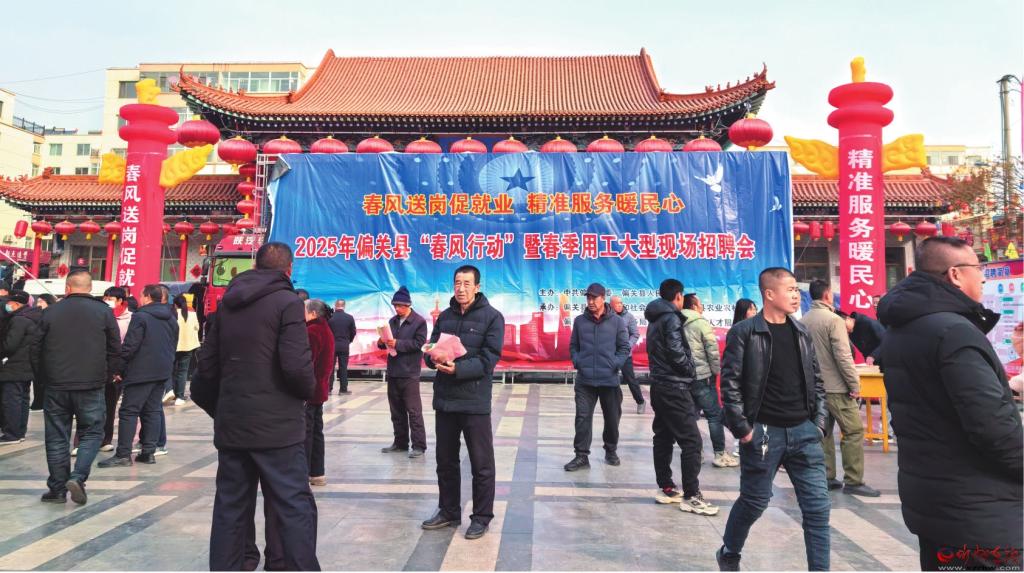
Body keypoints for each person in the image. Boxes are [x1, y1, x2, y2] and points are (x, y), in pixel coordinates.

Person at [877, 237, 1022, 571]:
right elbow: (994, 429)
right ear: (955, 274)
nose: (983, 277)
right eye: (978, 268)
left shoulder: (903, 328)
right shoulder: (954, 332)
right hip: (982, 516)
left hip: (935, 506)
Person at [193, 242, 320, 571]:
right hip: (278, 428)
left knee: (230, 507)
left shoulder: (228, 303)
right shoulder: (288, 303)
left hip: (234, 425)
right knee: (292, 505)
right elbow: (296, 367)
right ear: (289, 270)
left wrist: (223, 409)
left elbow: (206, 367)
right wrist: (306, 395)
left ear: (255, 266)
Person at [716, 267, 829, 571]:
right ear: (769, 294)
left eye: (796, 290)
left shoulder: (802, 332)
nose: (796, 295)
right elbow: (730, 383)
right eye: (789, 289)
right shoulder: (745, 332)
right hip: (764, 432)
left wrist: (818, 425)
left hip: (804, 432)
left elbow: (817, 381)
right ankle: (729, 551)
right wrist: (744, 429)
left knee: (818, 510)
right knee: (754, 501)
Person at [421, 265, 504, 541]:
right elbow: (431, 346)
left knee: (481, 463)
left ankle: (481, 517)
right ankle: (448, 510)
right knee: (445, 460)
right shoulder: (444, 317)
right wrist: (431, 356)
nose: (461, 288)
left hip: (474, 400)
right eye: (457, 282)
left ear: (477, 287)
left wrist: (458, 369)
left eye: (467, 283)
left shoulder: (492, 318)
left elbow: (489, 359)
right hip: (445, 400)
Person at [35, 271, 121, 505]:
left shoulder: (50, 312)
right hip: (91, 383)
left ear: (67, 287)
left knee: (56, 437)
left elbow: (36, 347)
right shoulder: (104, 312)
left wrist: (42, 378)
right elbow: (115, 347)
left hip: (56, 384)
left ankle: (57, 489)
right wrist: (109, 375)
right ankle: (78, 477)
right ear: (90, 288)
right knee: (93, 432)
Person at [645, 279, 718, 516]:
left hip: (659, 386)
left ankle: (666, 487)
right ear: (678, 296)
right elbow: (677, 353)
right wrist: (690, 370)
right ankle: (691, 495)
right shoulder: (671, 319)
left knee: (663, 437)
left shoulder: (654, 319)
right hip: (675, 388)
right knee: (692, 441)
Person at [801, 280, 880, 497]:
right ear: (827, 295)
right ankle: (853, 480)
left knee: (823, 432)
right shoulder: (834, 320)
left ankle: (827, 476)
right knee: (853, 431)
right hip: (837, 388)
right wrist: (854, 384)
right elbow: (843, 356)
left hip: (815, 388)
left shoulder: (803, 321)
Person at [98, 284, 177, 467]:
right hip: (161, 371)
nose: (140, 299)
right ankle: (148, 452)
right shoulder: (171, 318)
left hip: (141, 371)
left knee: (129, 411)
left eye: (142, 295)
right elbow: (173, 344)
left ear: (147, 297)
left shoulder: (141, 316)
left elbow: (130, 346)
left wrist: (119, 369)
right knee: (152, 411)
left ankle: (123, 454)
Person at [565, 283, 630, 471]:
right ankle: (581, 456)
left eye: (594, 298)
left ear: (603, 298)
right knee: (582, 418)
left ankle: (611, 450)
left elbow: (624, 348)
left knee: (612, 418)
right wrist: (578, 361)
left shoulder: (617, 322)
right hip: (585, 380)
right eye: (588, 298)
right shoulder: (580, 321)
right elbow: (573, 346)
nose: (591, 301)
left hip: (609, 380)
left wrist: (614, 364)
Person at [682, 293, 736, 468]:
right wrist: (716, 372)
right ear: (693, 306)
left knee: (691, 416)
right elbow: (712, 350)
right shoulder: (700, 323)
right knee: (714, 416)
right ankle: (720, 454)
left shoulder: (675, 321)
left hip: (684, 377)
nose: (702, 307)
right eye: (700, 304)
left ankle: (695, 453)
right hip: (703, 377)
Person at [378, 286, 428, 458]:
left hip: (409, 373)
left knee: (413, 411)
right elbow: (386, 341)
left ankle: (419, 446)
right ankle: (400, 443)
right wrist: (381, 341)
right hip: (393, 371)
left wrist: (398, 343)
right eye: (395, 306)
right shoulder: (392, 321)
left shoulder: (419, 322)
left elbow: (419, 344)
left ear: (408, 305)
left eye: (400, 306)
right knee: (396, 411)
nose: (397, 309)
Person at [0, 290, 42, 444]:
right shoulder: (33, 317)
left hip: (14, 366)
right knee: (23, 400)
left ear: (16, 304)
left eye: (9, 303)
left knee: (11, 400)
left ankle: (11, 434)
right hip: (27, 365)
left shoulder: (19, 320)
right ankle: (20, 432)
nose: (7, 306)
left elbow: (10, 345)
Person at [305, 299, 335, 486]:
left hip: (309, 391)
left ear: (313, 313)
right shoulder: (325, 329)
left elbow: (307, 363)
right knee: (316, 432)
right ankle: (317, 473)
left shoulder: (312, 331)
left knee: (305, 434)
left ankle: (303, 473)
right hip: (320, 389)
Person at [610, 295, 645, 414]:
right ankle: (616, 402)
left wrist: (627, 346)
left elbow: (635, 334)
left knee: (630, 379)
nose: (620, 305)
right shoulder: (607, 317)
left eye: (621, 302)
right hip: (610, 353)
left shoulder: (629, 317)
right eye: (617, 303)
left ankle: (640, 401)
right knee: (611, 379)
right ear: (611, 305)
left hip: (625, 354)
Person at [28, 293, 57, 411]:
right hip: (39, 354)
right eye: (37, 301)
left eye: (41, 301)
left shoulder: (50, 316)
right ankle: (38, 401)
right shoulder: (37, 315)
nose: (38, 304)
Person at [171, 295, 200, 405]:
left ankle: (171, 392)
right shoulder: (192, 314)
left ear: (175, 304)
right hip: (188, 346)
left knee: (172, 370)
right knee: (183, 371)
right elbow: (197, 327)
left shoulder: (172, 314)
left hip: (174, 346)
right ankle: (180, 396)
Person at [328, 298, 356, 394]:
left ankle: (328, 389)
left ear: (335, 305)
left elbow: (326, 332)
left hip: (332, 345)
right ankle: (343, 389)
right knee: (343, 367)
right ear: (344, 306)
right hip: (344, 345)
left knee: (330, 367)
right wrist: (348, 341)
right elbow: (353, 332)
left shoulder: (330, 317)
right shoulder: (349, 318)